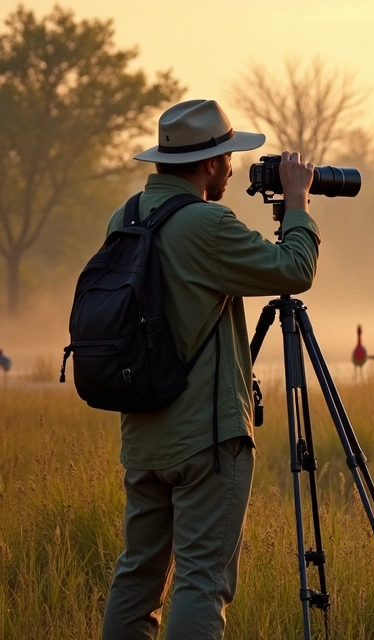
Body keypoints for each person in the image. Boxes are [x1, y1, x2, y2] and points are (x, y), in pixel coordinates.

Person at [100, 99, 321, 640]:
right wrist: (297, 204)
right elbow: (294, 270)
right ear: (208, 165)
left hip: (144, 431)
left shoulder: (126, 216)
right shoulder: (207, 223)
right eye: (226, 158)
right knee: (202, 582)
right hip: (206, 437)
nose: (230, 168)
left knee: (138, 576)